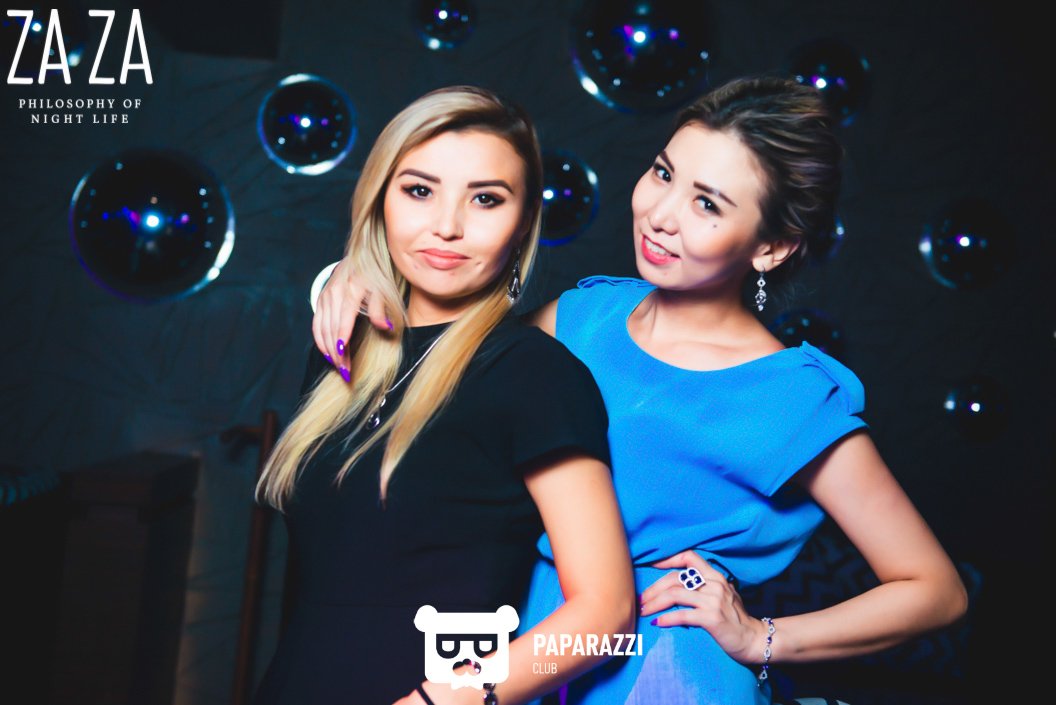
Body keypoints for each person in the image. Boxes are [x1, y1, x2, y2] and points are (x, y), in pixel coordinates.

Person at [310, 76, 968, 705]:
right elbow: (453, 361)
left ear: (771, 247)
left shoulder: (787, 397)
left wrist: (763, 638)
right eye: (663, 173)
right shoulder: (582, 318)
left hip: (664, 672)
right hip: (526, 649)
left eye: (707, 204)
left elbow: (935, 589)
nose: (661, 214)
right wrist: (349, 277)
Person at [253, 85, 636, 705]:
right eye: (419, 191)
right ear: (380, 199)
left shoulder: (534, 373)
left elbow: (606, 616)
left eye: (486, 199)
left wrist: (440, 702)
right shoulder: (340, 348)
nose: (448, 226)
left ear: (523, 222)